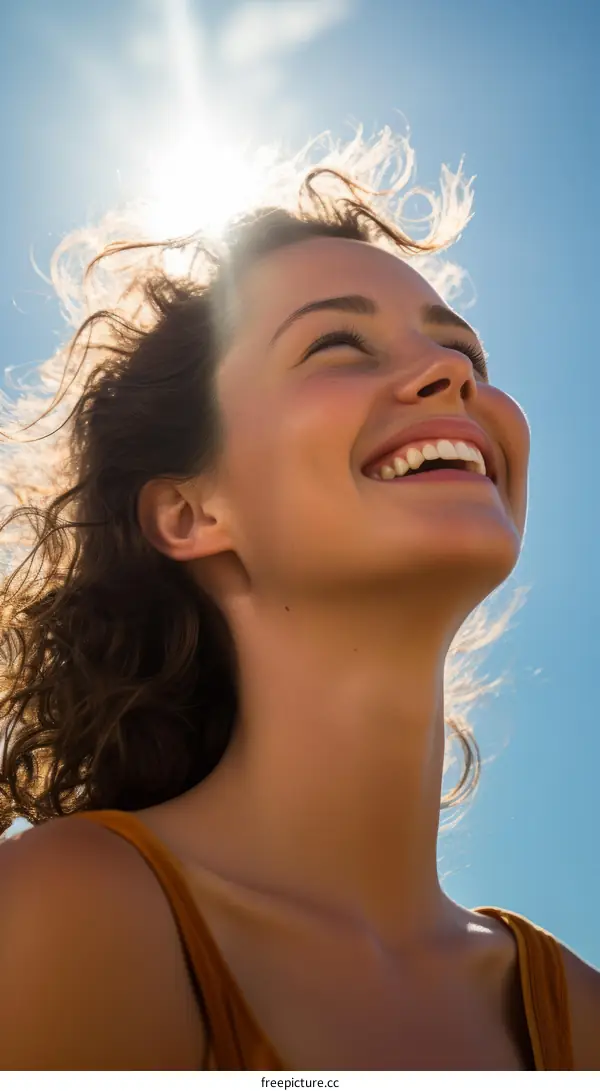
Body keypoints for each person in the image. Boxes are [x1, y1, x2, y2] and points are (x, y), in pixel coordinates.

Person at [0, 131, 598, 1071]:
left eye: (464, 352)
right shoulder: (68, 913)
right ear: (191, 512)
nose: (453, 375)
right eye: (338, 344)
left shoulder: (577, 1010)